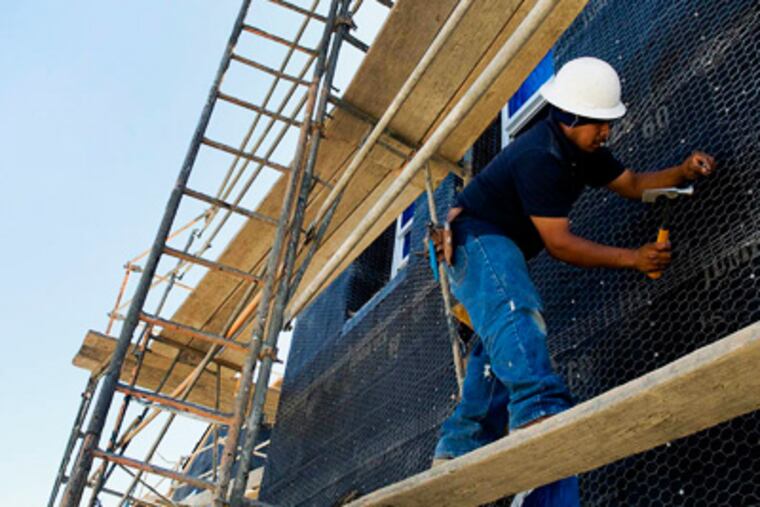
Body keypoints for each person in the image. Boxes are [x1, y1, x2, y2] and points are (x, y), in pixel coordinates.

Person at [432, 57, 716, 506]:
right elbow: (560, 244)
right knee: (515, 313)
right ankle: (540, 415)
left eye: (608, 123)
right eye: (600, 124)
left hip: (489, 245)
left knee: (498, 351)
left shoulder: (586, 153)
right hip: (473, 238)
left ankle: (457, 450)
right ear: (569, 118)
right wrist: (634, 259)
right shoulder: (539, 157)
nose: (607, 133)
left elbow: (635, 183)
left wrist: (682, 172)